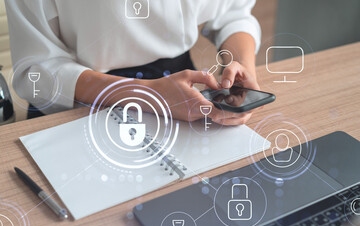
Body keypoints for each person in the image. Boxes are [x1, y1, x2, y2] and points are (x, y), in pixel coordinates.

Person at [6, 0, 261, 125]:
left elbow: (232, 12)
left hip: (185, 95)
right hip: (80, 101)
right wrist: (148, 93)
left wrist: (241, 65)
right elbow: (35, 71)